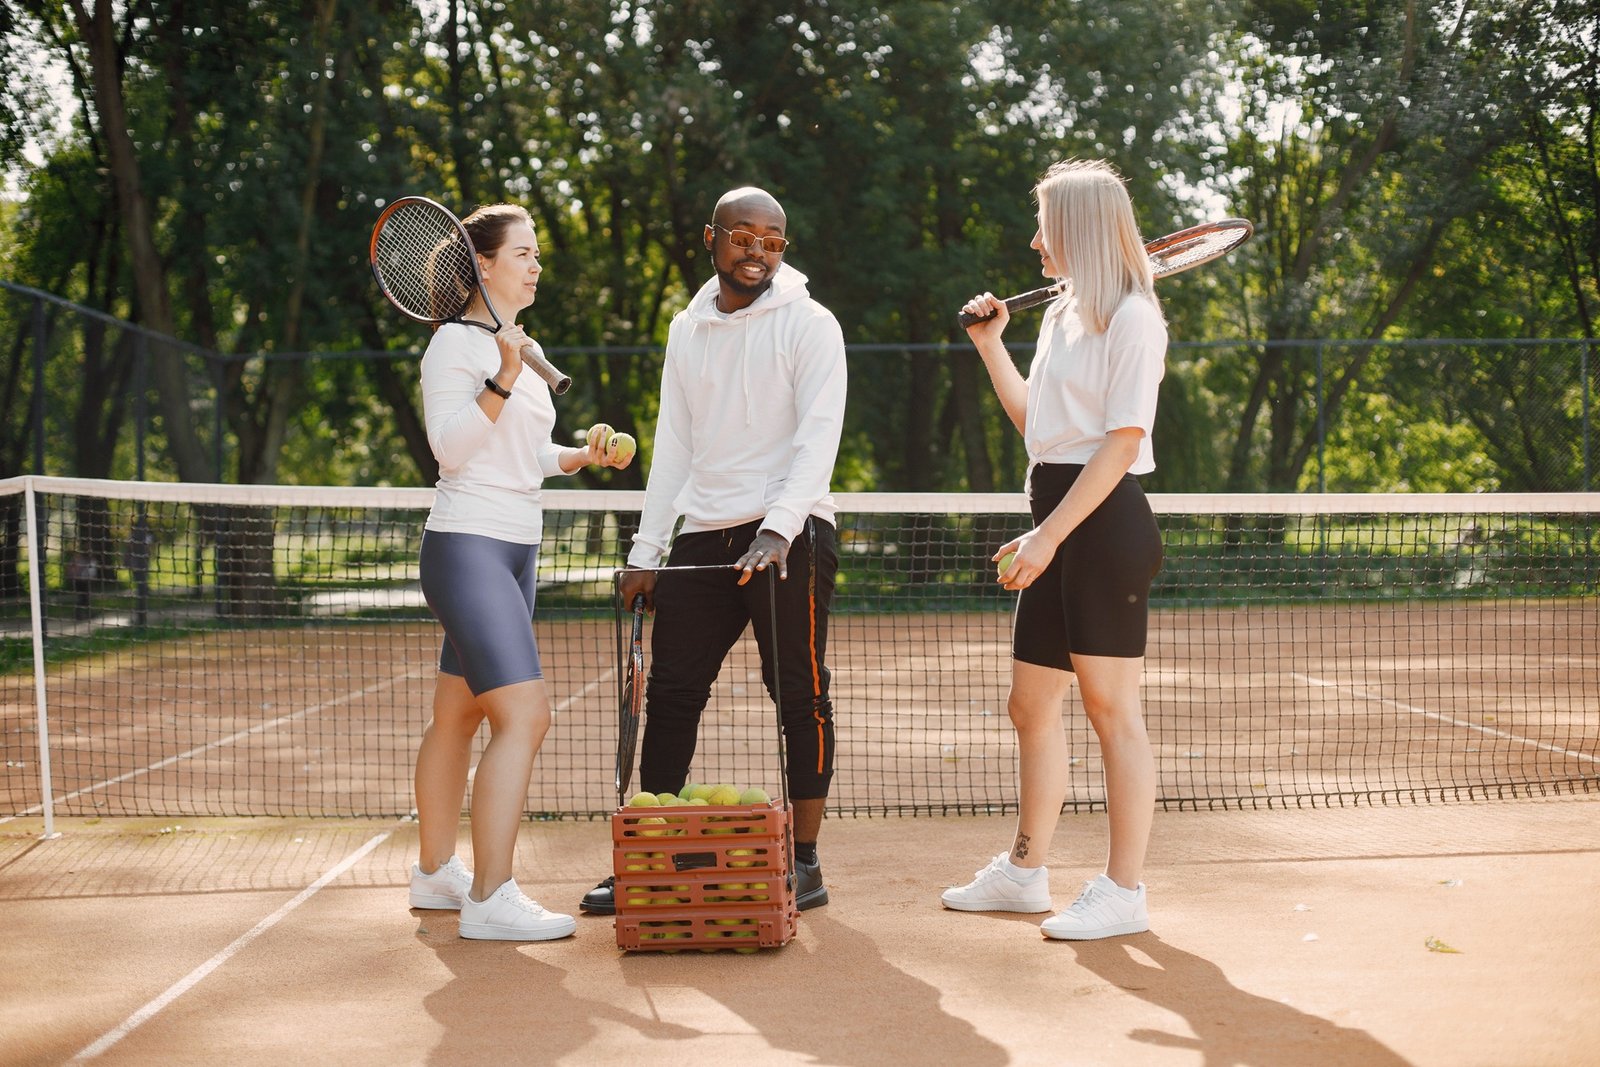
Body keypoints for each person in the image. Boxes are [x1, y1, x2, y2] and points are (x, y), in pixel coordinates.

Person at [579, 186, 847, 916]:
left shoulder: (812, 324)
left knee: (799, 690)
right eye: (743, 236)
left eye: (772, 240)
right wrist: (647, 549)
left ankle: (806, 860)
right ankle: (652, 851)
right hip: (701, 536)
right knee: (669, 694)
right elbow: (675, 447)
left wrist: (779, 526)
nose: (757, 251)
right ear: (712, 238)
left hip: (789, 534)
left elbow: (817, 440)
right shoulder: (686, 329)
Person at [942, 159, 1167, 940]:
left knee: (1113, 709)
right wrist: (989, 344)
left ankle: (1123, 889)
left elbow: (1121, 442)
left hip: (1101, 526)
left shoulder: (1136, 317)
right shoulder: (1062, 315)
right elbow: (1039, 427)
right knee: (1030, 704)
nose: (1036, 241)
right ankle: (1025, 871)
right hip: (1055, 514)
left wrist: (1049, 535)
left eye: (1046, 225)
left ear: (1077, 229)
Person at [407, 203, 633, 941]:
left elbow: (520, 455)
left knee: (460, 714)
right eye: (525, 252)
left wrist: (578, 456)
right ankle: (490, 894)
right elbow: (450, 448)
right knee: (526, 715)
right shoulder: (453, 347)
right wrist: (502, 375)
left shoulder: (517, 348)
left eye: (538, 254)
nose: (537, 265)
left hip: (513, 547)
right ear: (485, 264)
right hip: (467, 546)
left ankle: (435, 872)